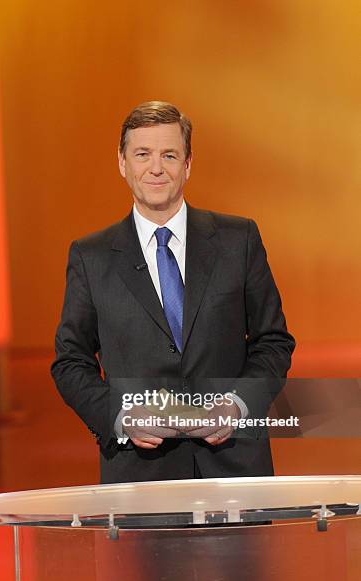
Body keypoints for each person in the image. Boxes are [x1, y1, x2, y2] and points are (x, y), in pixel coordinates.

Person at [51, 101, 295, 484]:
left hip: (235, 471)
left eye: (169, 155)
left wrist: (237, 405)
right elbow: (70, 361)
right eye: (142, 154)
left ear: (188, 164)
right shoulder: (90, 257)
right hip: (140, 478)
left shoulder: (238, 239)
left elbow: (274, 342)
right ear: (122, 163)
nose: (156, 168)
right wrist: (120, 416)